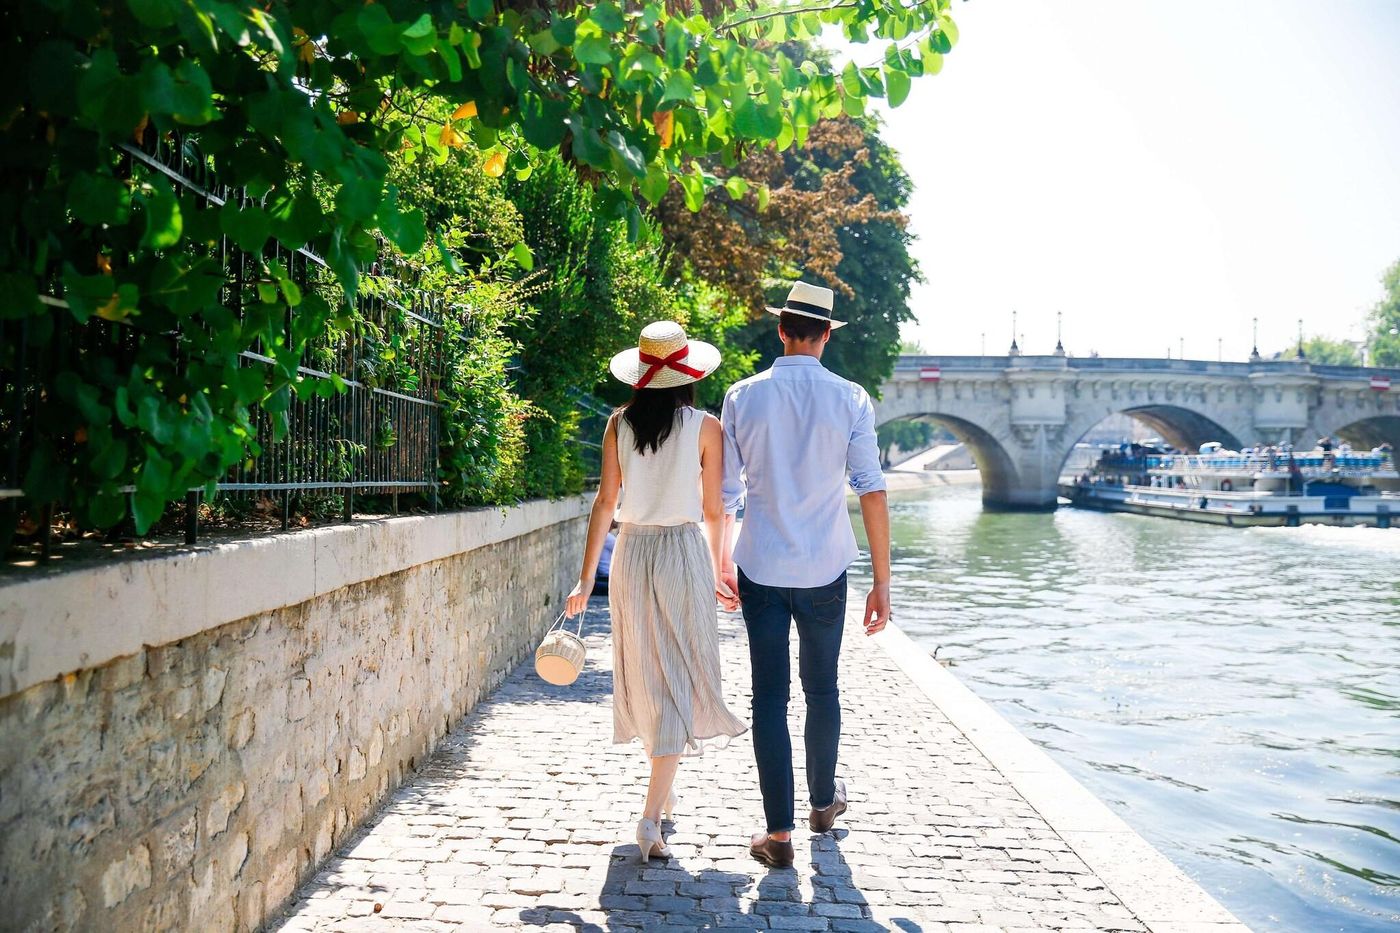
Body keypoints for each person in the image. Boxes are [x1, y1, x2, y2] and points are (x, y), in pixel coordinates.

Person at [720, 281, 892, 869]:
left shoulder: (742, 397)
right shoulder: (852, 399)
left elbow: (722, 494)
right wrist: (883, 581)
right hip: (825, 568)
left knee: (769, 696)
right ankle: (822, 805)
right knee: (822, 690)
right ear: (825, 336)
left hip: (761, 565)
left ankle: (779, 836)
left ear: (781, 331)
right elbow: (871, 488)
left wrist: (722, 559)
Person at [565, 321, 747, 864]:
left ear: (643, 374)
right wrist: (720, 568)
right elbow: (714, 510)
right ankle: (649, 819)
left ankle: (664, 797)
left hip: (631, 553)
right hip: (684, 552)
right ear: (689, 372)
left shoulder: (618, 423)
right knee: (684, 672)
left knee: (645, 671)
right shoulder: (706, 427)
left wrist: (582, 578)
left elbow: (604, 504)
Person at [591, 522, 618, 596]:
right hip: (605, 578)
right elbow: (625, 550)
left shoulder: (604, 536)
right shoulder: (606, 536)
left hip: (606, 578)